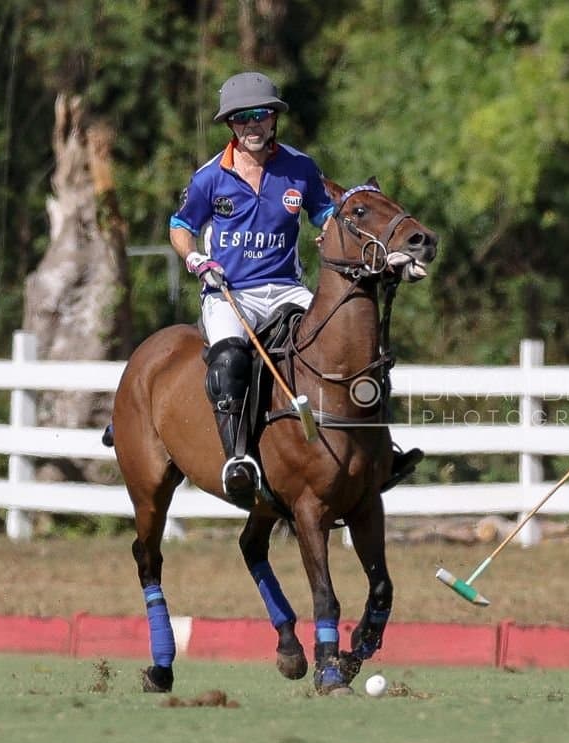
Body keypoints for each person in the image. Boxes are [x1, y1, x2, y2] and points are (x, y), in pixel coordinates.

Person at [170, 71, 421, 507]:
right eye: (242, 118)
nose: (253, 125)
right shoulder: (210, 177)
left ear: (274, 120)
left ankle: (380, 451)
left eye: (261, 115)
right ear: (231, 124)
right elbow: (181, 226)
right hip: (229, 291)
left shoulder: (300, 167)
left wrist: (378, 252)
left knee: (355, 348)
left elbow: (330, 217)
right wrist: (195, 258)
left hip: (286, 288)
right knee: (230, 359)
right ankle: (240, 459)